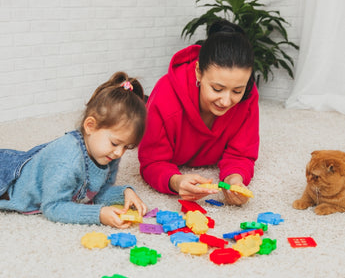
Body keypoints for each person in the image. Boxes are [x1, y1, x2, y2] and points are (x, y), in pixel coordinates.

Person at [0, 72, 147, 228]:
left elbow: (95, 193)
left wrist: (124, 193)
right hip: (10, 179)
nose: (119, 152)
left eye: (126, 146)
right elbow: (53, 207)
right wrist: (98, 214)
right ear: (90, 126)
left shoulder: (110, 154)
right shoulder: (67, 161)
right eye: (115, 143)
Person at [138, 20, 259, 206]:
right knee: (135, 115)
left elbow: (242, 154)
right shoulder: (165, 98)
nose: (226, 101)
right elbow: (152, 161)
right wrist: (176, 181)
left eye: (236, 91)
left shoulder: (248, 97)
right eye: (217, 89)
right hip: (158, 105)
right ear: (198, 72)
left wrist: (234, 180)